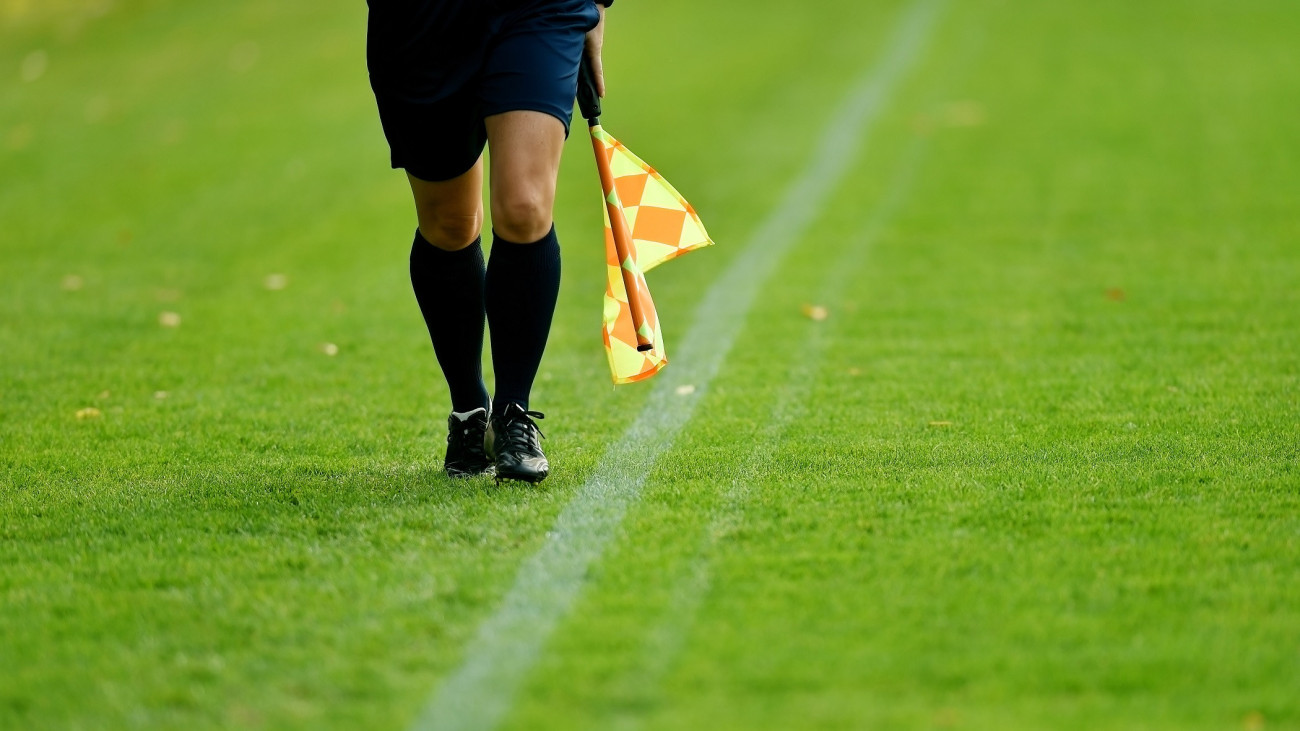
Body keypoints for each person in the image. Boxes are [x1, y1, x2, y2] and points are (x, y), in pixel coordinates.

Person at [365, 0, 611, 483]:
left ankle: (514, 412)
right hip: (420, 20)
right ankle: (469, 414)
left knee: (524, 207)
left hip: (542, 6)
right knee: (450, 222)